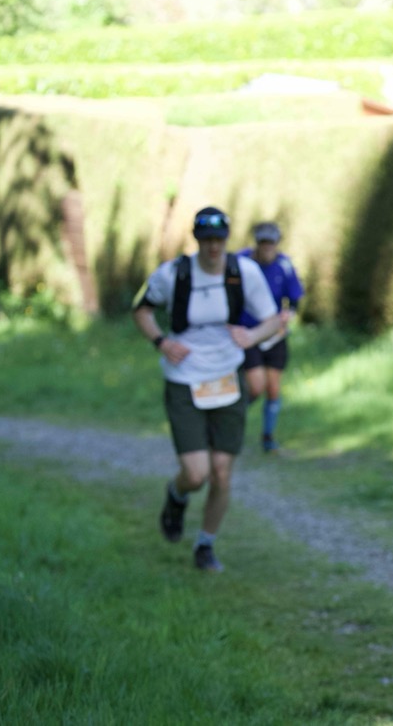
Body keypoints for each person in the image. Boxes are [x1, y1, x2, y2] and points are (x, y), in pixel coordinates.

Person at [132, 206, 282, 572]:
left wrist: (251, 336)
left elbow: (273, 319)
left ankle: (205, 545)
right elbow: (142, 310)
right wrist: (162, 342)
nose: (213, 247)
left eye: (219, 240)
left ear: (227, 240)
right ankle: (177, 494)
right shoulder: (174, 273)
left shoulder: (243, 272)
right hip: (185, 379)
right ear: (197, 240)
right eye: (206, 240)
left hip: (227, 378)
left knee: (222, 472)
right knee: (196, 474)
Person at [237, 221, 305, 453]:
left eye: (271, 243)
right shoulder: (241, 262)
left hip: (274, 335)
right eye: (263, 242)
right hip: (249, 334)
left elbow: (294, 299)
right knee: (256, 386)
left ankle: (268, 436)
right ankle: (230, 419)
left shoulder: (284, 265)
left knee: (273, 388)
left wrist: (288, 315)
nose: (267, 247)